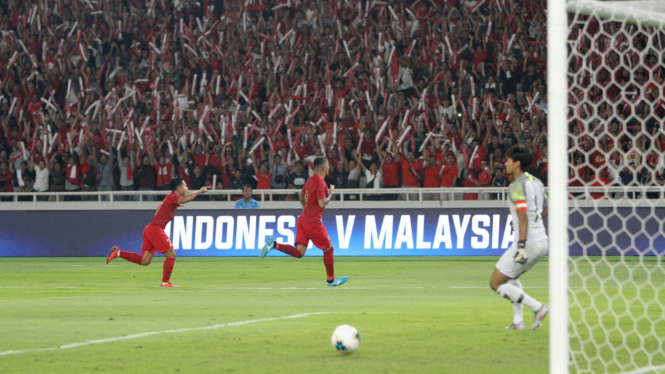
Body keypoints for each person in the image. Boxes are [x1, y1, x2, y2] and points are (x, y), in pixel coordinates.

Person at [106, 175, 209, 287]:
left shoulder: (170, 197)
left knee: (145, 261)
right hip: (155, 230)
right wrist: (200, 191)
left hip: (150, 229)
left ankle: (118, 252)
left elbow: (166, 207)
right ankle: (165, 282)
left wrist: (177, 205)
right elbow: (185, 199)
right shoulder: (173, 197)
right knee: (171, 254)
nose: (187, 188)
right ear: (180, 189)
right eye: (186, 185)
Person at [259, 157, 348, 287]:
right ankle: (331, 280)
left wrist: (304, 207)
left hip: (303, 219)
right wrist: (331, 194)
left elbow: (301, 194)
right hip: (313, 223)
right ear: (324, 168)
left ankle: (274, 245)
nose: (329, 168)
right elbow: (321, 203)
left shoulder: (310, 179)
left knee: (300, 252)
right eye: (328, 165)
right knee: (328, 249)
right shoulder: (321, 183)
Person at [489, 145, 549, 331]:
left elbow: (523, 216)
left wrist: (521, 245)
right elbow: (546, 209)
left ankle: (538, 307)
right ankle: (518, 322)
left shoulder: (516, 186)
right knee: (511, 276)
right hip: (542, 241)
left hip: (527, 242)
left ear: (517, 164)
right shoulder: (536, 182)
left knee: (496, 282)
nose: (504, 163)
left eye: (507, 160)